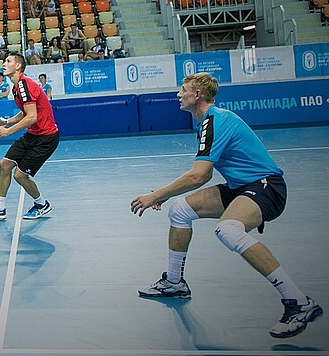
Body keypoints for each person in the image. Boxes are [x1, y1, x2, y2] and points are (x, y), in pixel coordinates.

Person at [130, 73, 322, 339]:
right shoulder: (207, 122)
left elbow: (199, 176)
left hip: (266, 187)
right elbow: (203, 174)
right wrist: (165, 195)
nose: (178, 94)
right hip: (240, 187)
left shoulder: (215, 120)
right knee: (180, 209)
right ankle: (174, 283)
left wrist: (155, 195)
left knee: (228, 229)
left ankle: (298, 301)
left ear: (197, 95)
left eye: (183, 90)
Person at [0, 53, 59, 221]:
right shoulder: (17, 87)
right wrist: (7, 122)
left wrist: (8, 131)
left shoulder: (24, 85)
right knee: (5, 165)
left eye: (8, 61)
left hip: (46, 138)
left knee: (20, 176)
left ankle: (42, 204)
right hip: (33, 135)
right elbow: (25, 112)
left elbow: (32, 117)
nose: (4, 63)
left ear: (18, 66)